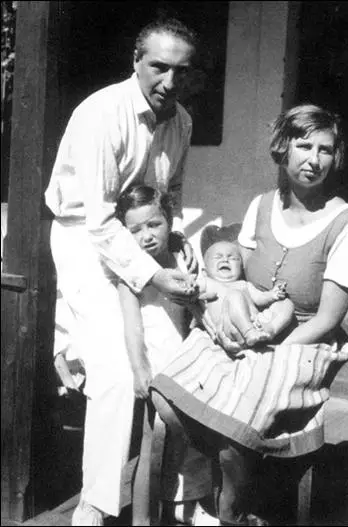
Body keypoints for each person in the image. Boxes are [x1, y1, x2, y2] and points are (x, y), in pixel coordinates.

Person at [150, 104, 348, 525]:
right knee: (167, 395)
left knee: (237, 409)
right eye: (304, 146)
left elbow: (326, 319)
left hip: (305, 342)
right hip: (251, 324)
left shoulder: (347, 226)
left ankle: (229, 507)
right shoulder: (261, 206)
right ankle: (204, 492)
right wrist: (221, 316)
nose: (313, 159)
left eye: (325, 149)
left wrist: (266, 350)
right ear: (283, 149)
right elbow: (241, 285)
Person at [44, 17, 204, 526]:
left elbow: (168, 196)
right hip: (83, 241)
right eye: (159, 67)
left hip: (141, 244)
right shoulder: (101, 113)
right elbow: (97, 219)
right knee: (114, 374)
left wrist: (175, 245)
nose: (169, 82)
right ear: (136, 61)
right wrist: (153, 275)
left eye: (181, 71)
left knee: (182, 366)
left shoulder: (181, 122)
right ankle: (94, 506)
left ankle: (185, 498)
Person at [116, 185, 214, 526]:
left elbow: (194, 311)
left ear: (169, 222)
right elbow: (132, 326)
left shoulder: (181, 257)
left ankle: (189, 506)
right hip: (156, 367)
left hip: (186, 364)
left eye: (154, 224)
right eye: (136, 229)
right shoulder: (131, 272)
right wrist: (139, 368)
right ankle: (143, 518)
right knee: (152, 445)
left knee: (195, 440)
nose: (146, 236)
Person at [197, 225, 295, 348]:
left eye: (232, 258)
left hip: (258, 323)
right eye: (218, 257)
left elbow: (260, 298)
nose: (225, 260)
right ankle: (249, 333)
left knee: (286, 304)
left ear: (241, 267)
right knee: (234, 295)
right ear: (205, 271)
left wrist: (273, 295)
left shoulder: (243, 284)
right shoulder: (208, 283)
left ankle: (271, 330)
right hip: (230, 329)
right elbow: (191, 290)